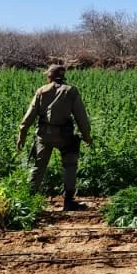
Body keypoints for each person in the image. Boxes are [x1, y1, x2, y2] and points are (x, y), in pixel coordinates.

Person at [17, 64, 93, 211]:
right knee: (70, 165)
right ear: (63, 77)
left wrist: (22, 134)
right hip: (64, 136)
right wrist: (87, 136)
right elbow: (81, 117)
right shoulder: (71, 91)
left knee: (38, 166)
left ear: (49, 77)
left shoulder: (41, 91)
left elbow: (29, 116)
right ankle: (69, 201)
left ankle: (28, 201)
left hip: (44, 135)